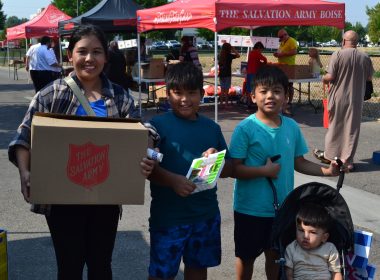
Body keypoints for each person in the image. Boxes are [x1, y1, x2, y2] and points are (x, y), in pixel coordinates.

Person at [8, 24, 140, 280]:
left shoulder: (122, 98)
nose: (89, 59)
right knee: (69, 266)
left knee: (101, 266)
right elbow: (23, 138)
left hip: (105, 198)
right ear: (70, 56)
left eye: (97, 52)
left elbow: (143, 136)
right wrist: (25, 172)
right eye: (82, 51)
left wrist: (146, 156)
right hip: (62, 202)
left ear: (105, 57)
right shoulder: (49, 95)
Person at [229, 65, 341, 280]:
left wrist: (327, 170)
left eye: (277, 91)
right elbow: (235, 169)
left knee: (276, 257)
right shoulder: (245, 128)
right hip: (250, 210)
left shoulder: (291, 126)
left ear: (286, 96)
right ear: (253, 96)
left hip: (283, 209)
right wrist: (264, 171)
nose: (270, 96)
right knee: (246, 257)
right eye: (264, 91)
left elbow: (299, 162)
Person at [143, 62, 232, 280]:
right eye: (177, 92)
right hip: (168, 217)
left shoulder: (212, 128)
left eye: (192, 93)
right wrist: (172, 180)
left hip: (206, 214)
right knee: (161, 274)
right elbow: (148, 166)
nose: (185, 99)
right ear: (167, 93)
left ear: (202, 93)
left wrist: (214, 159)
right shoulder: (156, 126)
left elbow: (229, 168)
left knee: (198, 269)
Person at [314, 30, 374, 172]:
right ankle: (347, 162)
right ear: (357, 42)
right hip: (356, 99)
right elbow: (370, 78)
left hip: (338, 97)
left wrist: (323, 77)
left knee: (335, 126)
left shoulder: (338, 54)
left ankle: (331, 157)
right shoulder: (365, 57)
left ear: (343, 41)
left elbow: (330, 76)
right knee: (352, 129)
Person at [285, 203, 342, 280]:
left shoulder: (329, 249)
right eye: (301, 230)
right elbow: (289, 275)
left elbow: (336, 273)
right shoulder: (292, 248)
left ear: (324, 237)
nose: (305, 236)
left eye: (313, 232)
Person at [273, 29, 298, 116]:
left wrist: (282, 54)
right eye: (279, 37)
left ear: (285, 35)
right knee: (283, 85)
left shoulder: (292, 41)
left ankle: (289, 103)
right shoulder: (282, 42)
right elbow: (281, 51)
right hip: (282, 66)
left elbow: (295, 52)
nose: (280, 39)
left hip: (289, 66)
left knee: (289, 85)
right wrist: (277, 54)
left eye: (280, 37)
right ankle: (283, 103)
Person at [218, 42, 240, 107]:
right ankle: (226, 104)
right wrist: (233, 49)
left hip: (221, 74)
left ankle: (221, 104)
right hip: (227, 74)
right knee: (226, 91)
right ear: (229, 48)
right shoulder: (229, 55)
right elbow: (238, 55)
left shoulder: (219, 55)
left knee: (222, 90)